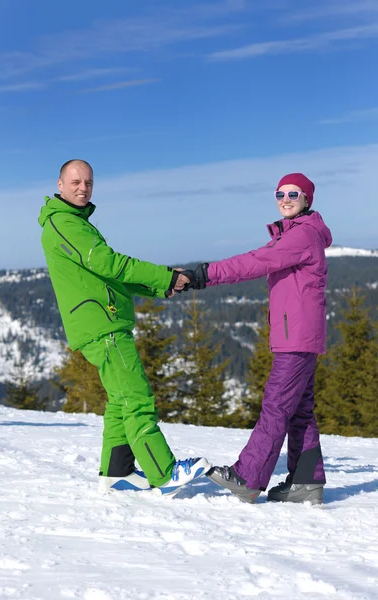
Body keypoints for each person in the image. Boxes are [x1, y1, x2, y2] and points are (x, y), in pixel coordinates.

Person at [38, 159, 210, 496]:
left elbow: (108, 276)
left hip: (105, 321)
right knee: (136, 396)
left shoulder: (75, 222)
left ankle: (116, 472)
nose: (82, 187)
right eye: (75, 181)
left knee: (119, 399)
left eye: (88, 182)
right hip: (101, 326)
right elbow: (111, 263)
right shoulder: (63, 223)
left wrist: (162, 285)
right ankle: (163, 472)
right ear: (59, 184)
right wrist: (166, 276)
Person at [186, 173, 332, 504]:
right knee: (299, 410)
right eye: (280, 193)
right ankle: (306, 480)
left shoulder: (302, 235)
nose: (285, 199)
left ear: (307, 199)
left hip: (296, 337)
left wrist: (205, 275)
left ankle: (248, 477)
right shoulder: (297, 232)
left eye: (294, 194)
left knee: (276, 406)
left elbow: (256, 262)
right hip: (298, 334)